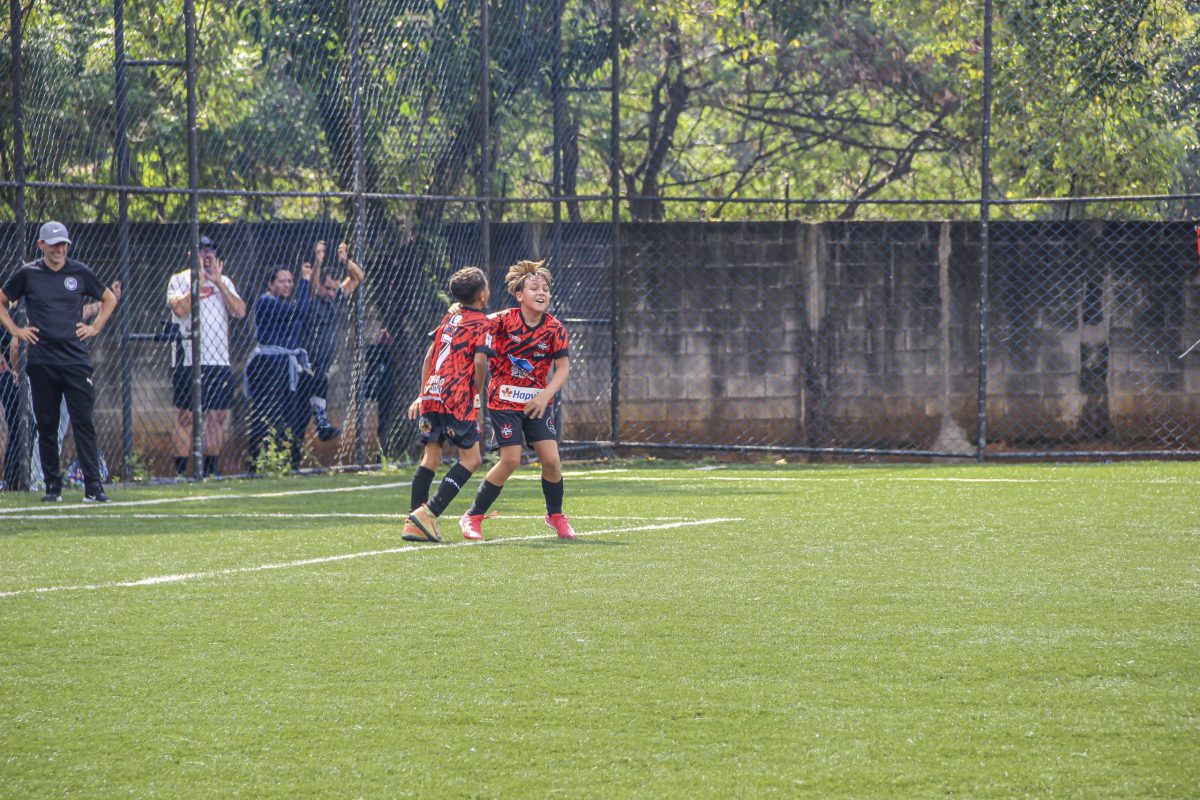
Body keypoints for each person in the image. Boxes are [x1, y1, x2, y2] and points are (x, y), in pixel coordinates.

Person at [0, 221, 118, 502]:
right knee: (47, 425)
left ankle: (94, 488)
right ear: (41, 245)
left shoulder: (79, 272)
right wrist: (16, 330)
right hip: (41, 362)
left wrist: (95, 327)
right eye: (54, 245)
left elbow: (109, 298)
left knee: (83, 422)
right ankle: (52, 487)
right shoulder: (28, 274)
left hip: (75, 361)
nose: (59, 250)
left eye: (63, 244)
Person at [459, 260, 576, 540]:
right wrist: (458, 310)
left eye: (545, 289)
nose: (541, 292)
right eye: (534, 287)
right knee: (510, 460)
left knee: (552, 461)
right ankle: (473, 516)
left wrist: (546, 394)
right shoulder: (501, 321)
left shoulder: (554, 328)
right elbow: (473, 325)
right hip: (503, 401)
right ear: (519, 294)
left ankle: (555, 516)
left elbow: (563, 369)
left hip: (537, 402)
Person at [402, 267, 491, 542]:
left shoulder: (450, 317)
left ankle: (413, 521)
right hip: (456, 396)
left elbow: (429, 355)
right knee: (472, 459)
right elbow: (480, 361)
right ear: (482, 295)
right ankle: (429, 513)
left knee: (431, 457)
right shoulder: (482, 323)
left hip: (432, 392)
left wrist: (422, 393)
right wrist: (476, 393)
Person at [167, 235, 246, 478]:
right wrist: (198, 283)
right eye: (202, 252)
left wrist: (218, 282)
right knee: (187, 417)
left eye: (210, 251)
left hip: (218, 360)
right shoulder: (179, 279)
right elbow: (179, 308)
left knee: (217, 415)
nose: (207, 256)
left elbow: (240, 311)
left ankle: (210, 472)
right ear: (192, 255)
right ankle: (181, 474)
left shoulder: (224, 280)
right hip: (188, 360)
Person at [246, 263, 312, 471]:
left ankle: (285, 461)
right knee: (265, 413)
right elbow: (301, 312)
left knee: (288, 414)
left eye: (290, 281)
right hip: (268, 364)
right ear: (270, 283)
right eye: (282, 281)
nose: (287, 285)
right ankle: (257, 463)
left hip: (284, 364)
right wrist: (305, 281)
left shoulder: (282, 304)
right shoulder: (266, 302)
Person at [301, 240, 364, 442]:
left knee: (320, 385)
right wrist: (318, 262)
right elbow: (312, 286)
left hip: (324, 362)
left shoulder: (335, 297)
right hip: (307, 361)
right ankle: (319, 424)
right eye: (327, 288)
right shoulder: (312, 298)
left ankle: (321, 424)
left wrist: (346, 261)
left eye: (333, 289)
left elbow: (358, 277)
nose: (330, 293)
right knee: (301, 413)